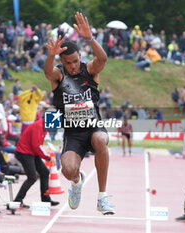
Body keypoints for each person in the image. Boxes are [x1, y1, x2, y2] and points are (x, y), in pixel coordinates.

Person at [44, 12, 115, 215]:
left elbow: (103, 59)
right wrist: (50, 55)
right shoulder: (58, 75)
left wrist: (90, 39)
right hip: (73, 134)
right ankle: (77, 182)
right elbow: (48, 73)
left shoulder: (90, 70)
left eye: (75, 61)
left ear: (80, 58)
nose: (73, 66)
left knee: (101, 140)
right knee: (67, 170)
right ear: (62, 62)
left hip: (93, 127)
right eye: (68, 63)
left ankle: (102, 198)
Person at [13, 118, 59, 208]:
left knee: (45, 172)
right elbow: (36, 146)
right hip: (25, 152)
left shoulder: (44, 126)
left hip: (32, 152)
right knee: (32, 177)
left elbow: (39, 144)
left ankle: (46, 199)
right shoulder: (38, 126)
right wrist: (48, 157)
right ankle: (18, 200)